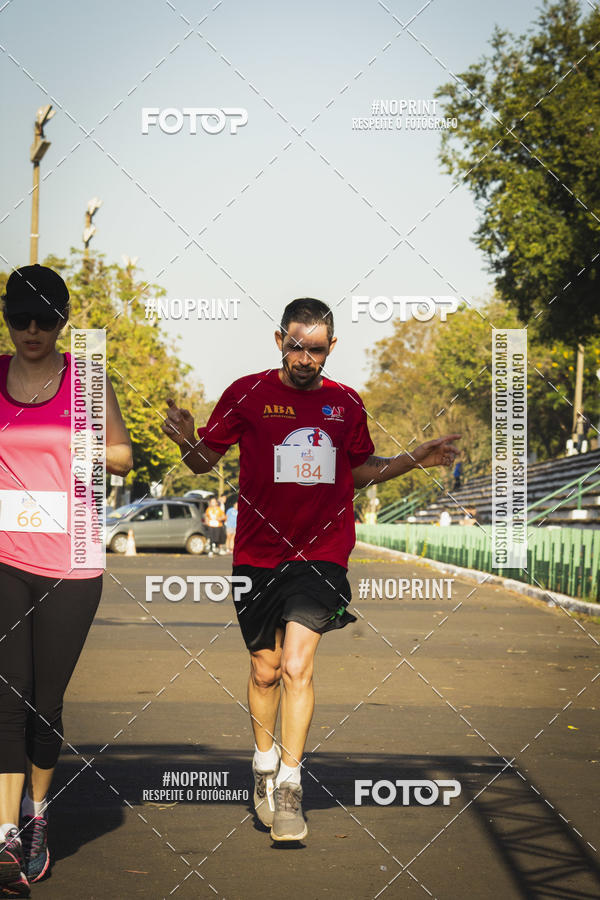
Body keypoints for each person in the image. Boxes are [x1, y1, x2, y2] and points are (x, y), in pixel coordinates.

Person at [162, 297, 460, 842]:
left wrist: (415, 456)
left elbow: (361, 470)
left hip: (321, 554)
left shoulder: (346, 403)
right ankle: (262, 765)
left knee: (299, 665)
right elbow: (207, 458)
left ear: (331, 348)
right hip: (257, 554)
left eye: (316, 349)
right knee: (265, 669)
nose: (305, 358)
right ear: (279, 340)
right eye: (296, 346)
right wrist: (183, 437)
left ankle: (292, 787)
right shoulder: (246, 393)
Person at [0, 264, 132, 895]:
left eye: (44, 320)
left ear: (62, 322)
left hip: (73, 559)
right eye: (19, 317)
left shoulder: (85, 381)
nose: (31, 330)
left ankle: (37, 817)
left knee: (41, 704)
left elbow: (122, 455)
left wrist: (83, 444)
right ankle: (3, 836)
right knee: (5, 694)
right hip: (4, 555)